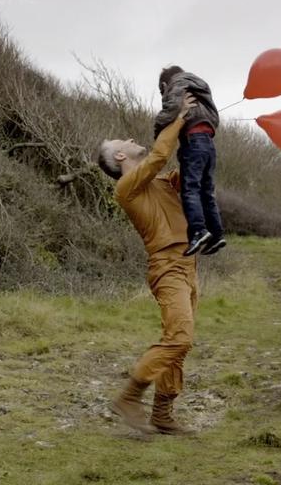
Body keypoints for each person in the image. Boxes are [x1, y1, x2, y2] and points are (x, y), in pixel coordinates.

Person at [96, 93, 199, 435]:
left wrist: (196, 138)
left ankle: (163, 414)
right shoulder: (127, 188)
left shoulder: (158, 180)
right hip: (167, 267)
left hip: (188, 263)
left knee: (178, 342)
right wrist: (179, 118)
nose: (128, 138)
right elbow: (158, 156)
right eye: (120, 141)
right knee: (180, 338)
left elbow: (186, 180)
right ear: (120, 156)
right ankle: (129, 397)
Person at [154, 66, 225, 256]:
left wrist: (157, 132)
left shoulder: (176, 85)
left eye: (162, 91)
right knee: (207, 192)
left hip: (193, 142)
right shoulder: (200, 86)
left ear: (164, 84)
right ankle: (217, 234)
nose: (164, 95)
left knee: (190, 189)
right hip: (209, 143)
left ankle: (198, 230)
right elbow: (214, 119)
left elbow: (170, 111)